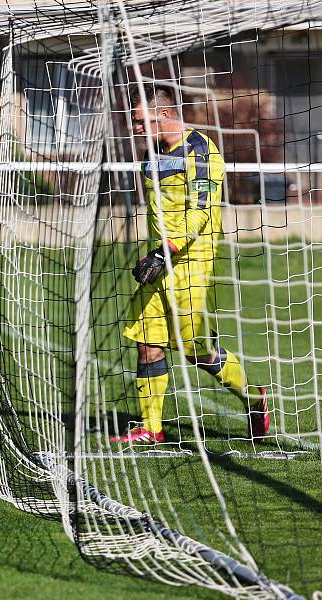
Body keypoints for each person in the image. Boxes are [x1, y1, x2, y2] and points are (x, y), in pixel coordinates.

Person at [111, 84, 270, 444]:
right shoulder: (151, 155)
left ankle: (253, 398)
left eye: (139, 122)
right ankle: (151, 428)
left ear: (164, 115)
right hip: (159, 261)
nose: (134, 129)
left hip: (190, 265)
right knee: (147, 341)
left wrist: (163, 249)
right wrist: (155, 252)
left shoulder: (201, 150)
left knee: (195, 349)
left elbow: (198, 214)